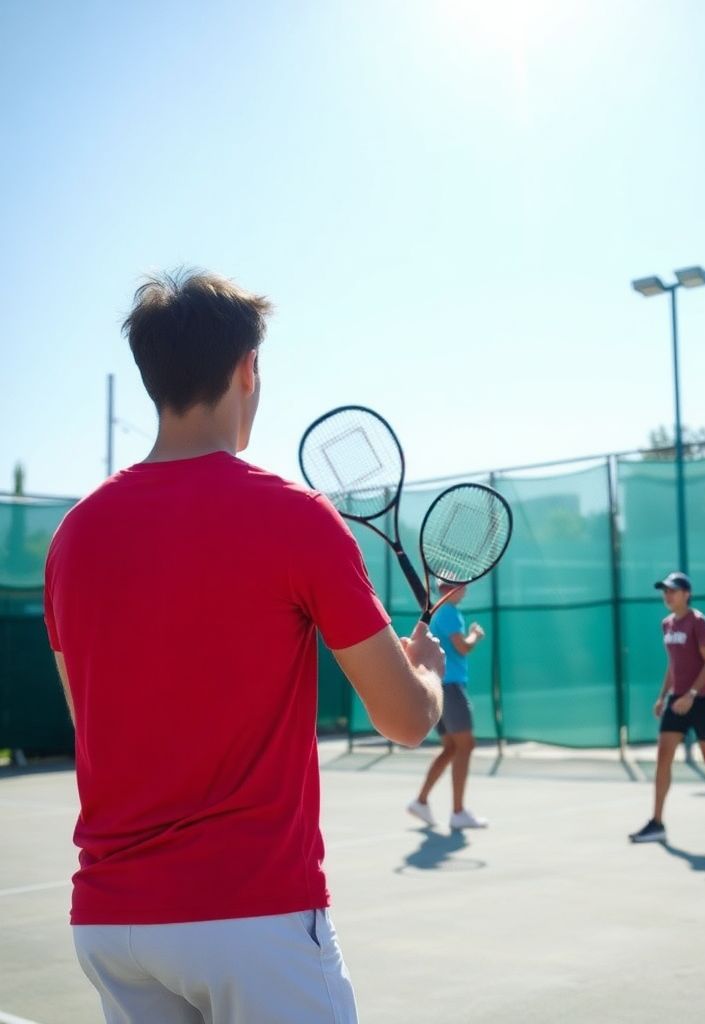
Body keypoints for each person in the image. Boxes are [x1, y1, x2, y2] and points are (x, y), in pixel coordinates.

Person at [43, 270, 444, 1024]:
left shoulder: (72, 537)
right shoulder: (296, 519)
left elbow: (91, 725)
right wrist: (425, 672)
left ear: (151, 376)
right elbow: (406, 720)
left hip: (110, 926)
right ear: (247, 369)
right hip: (251, 921)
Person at [629, 571, 705, 844]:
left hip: (703, 700)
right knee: (663, 756)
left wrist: (691, 694)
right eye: (664, 591)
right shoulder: (666, 624)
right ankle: (657, 823)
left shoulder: (698, 623)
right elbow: (674, 664)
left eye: (672, 591)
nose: (667, 595)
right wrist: (662, 696)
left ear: (686, 594)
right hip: (676, 700)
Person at [407, 581, 489, 830]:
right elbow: (461, 648)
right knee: (466, 744)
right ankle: (458, 812)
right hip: (450, 686)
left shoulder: (441, 612)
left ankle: (420, 802)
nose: (466, 590)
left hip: (440, 686)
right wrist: (475, 635)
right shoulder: (450, 613)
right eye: (462, 586)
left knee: (451, 747)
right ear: (450, 589)